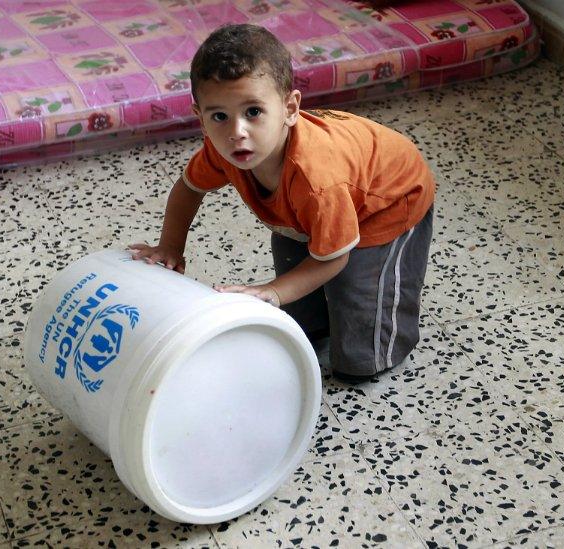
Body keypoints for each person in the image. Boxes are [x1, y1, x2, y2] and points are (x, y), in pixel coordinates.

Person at [129, 23, 435, 382]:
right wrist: (170, 246)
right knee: (297, 304)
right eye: (219, 116)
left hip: (389, 201)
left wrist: (273, 291)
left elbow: (336, 256)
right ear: (200, 117)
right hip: (304, 214)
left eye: (253, 112)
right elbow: (188, 189)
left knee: (357, 317)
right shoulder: (223, 149)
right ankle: (316, 323)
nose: (236, 131)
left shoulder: (317, 179)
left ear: (290, 108)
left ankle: (376, 354)